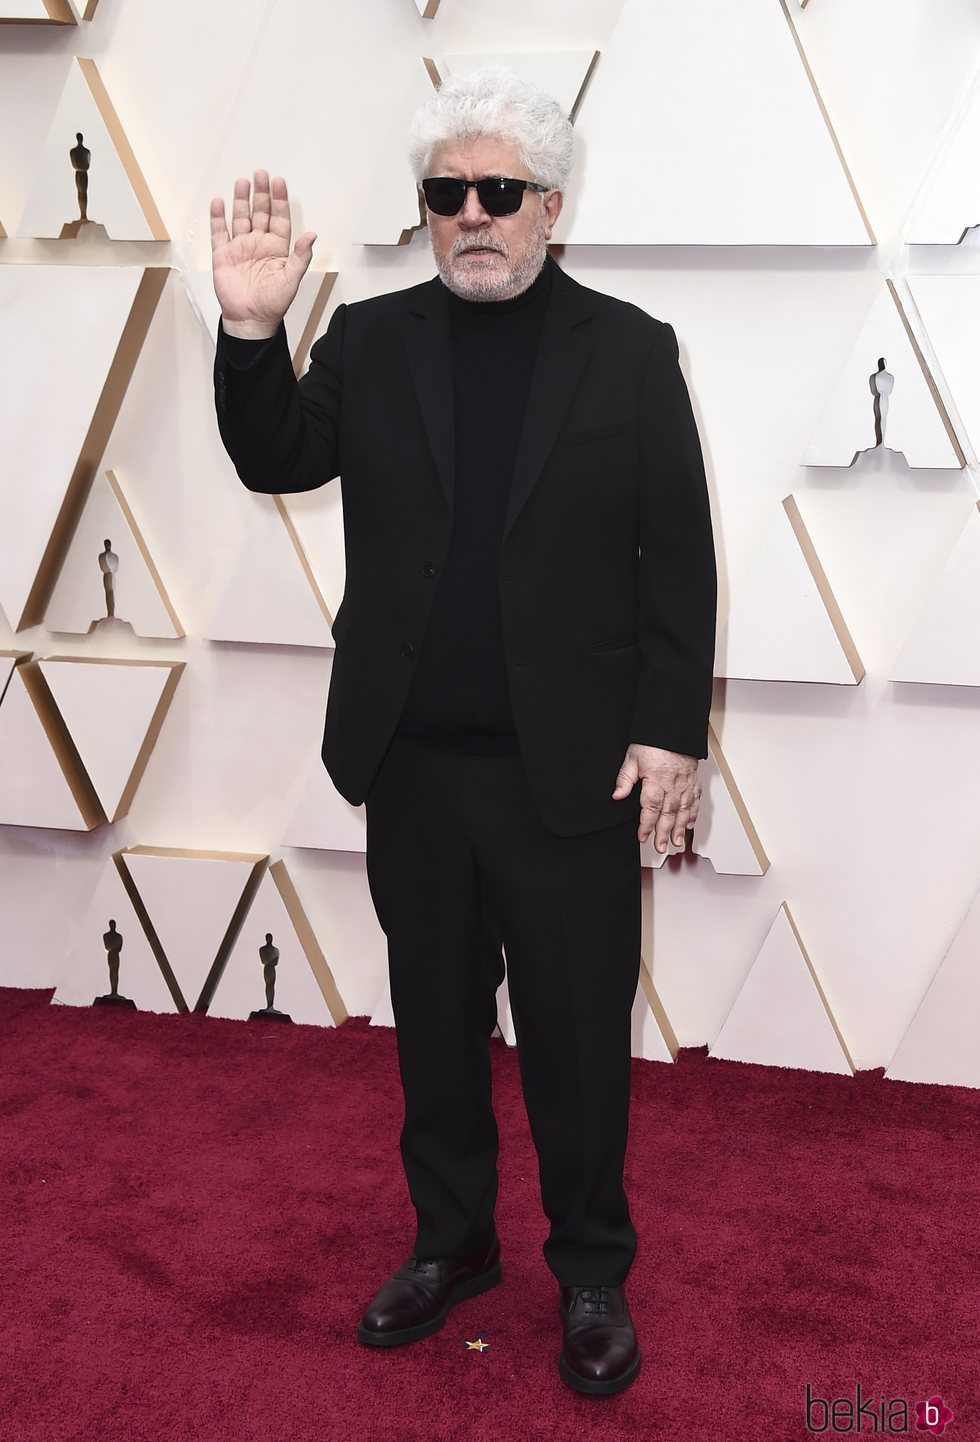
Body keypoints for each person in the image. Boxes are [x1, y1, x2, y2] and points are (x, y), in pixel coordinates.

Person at [210, 67, 716, 1397]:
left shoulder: (629, 348)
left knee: (575, 1039)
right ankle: (453, 1245)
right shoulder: (371, 344)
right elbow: (277, 458)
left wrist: (673, 730)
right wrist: (250, 331)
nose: (473, 216)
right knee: (433, 1026)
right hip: (415, 768)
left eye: (500, 193)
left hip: (571, 776)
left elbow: (681, 558)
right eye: (449, 195)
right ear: (427, 210)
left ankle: (593, 1269)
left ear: (551, 205)